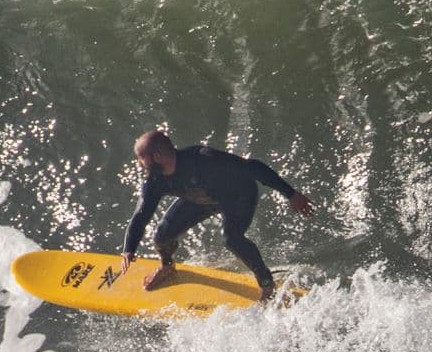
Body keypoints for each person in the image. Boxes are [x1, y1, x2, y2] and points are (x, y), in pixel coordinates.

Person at [118, 128, 314, 300]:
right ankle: (167, 266)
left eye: (141, 157)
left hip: (238, 195)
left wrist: (291, 194)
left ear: (157, 156)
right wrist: (129, 248)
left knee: (232, 239)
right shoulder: (155, 182)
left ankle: (267, 284)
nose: (140, 163)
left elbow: (252, 167)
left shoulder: (203, 159)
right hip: (200, 200)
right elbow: (141, 216)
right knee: (162, 237)